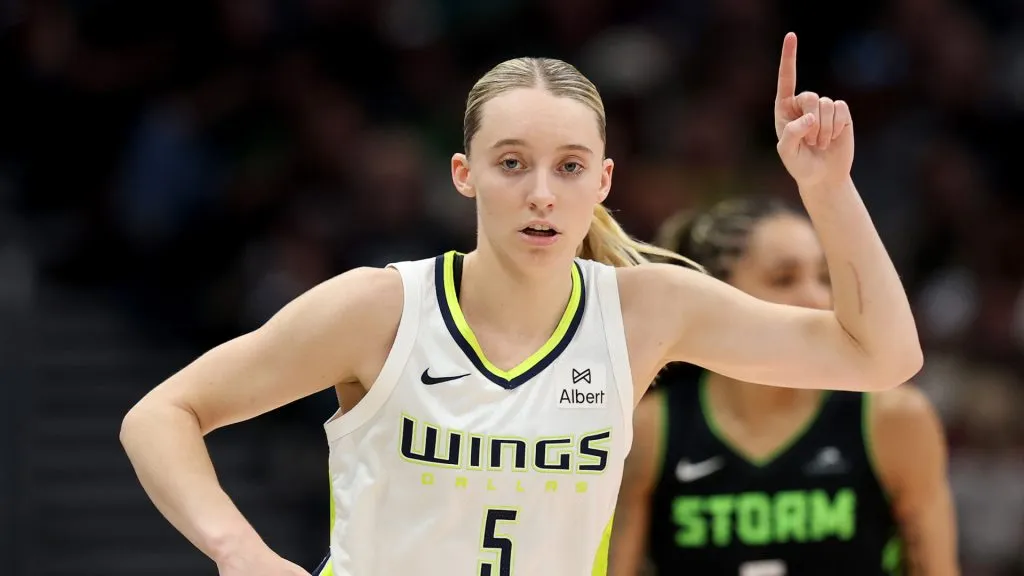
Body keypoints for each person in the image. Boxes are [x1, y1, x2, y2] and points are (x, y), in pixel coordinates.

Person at [119, 33, 923, 576]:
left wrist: (829, 188)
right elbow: (163, 414)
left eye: (570, 167)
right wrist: (239, 551)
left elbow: (883, 357)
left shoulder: (646, 311)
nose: (541, 194)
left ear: (603, 181)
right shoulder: (382, 309)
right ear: (464, 173)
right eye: (513, 163)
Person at [608, 197, 958, 576]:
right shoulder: (650, 429)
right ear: (713, 298)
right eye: (784, 279)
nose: (817, 298)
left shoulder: (893, 419)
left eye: (825, 278)